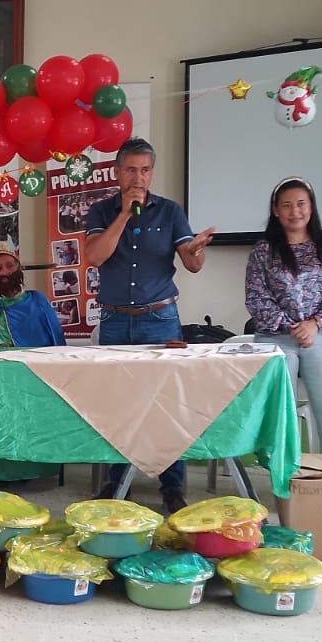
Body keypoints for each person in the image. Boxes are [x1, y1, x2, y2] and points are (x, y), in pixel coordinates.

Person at [83, 137, 215, 511]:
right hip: (114, 321)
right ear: (117, 172)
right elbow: (95, 256)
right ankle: (115, 481)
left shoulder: (171, 212)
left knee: (168, 404)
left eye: (144, 170)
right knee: (115, 404)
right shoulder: (101, 211)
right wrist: (125, 215)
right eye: (130, 170)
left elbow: (192, 263)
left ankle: (171, 486)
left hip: (160, 319)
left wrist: (195, 251)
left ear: (152, 173)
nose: (137, 178)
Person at [244, 177, 322, 454]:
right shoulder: (264, 251)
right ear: (276, 210)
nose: (295, 211)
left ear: (311, 207)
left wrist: (314, 324)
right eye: (287, 205)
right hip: (275, 340)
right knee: (282, 415)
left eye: (301, 204)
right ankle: (286, 476)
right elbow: (256, 297)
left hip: (320, 337)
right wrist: (292, 327)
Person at [0, 236, 66, 482]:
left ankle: (33, 469)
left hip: (32, 373)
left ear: (19, 268)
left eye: (10, 265)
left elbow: (55, 342)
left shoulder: (37, 301)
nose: (5, 272)